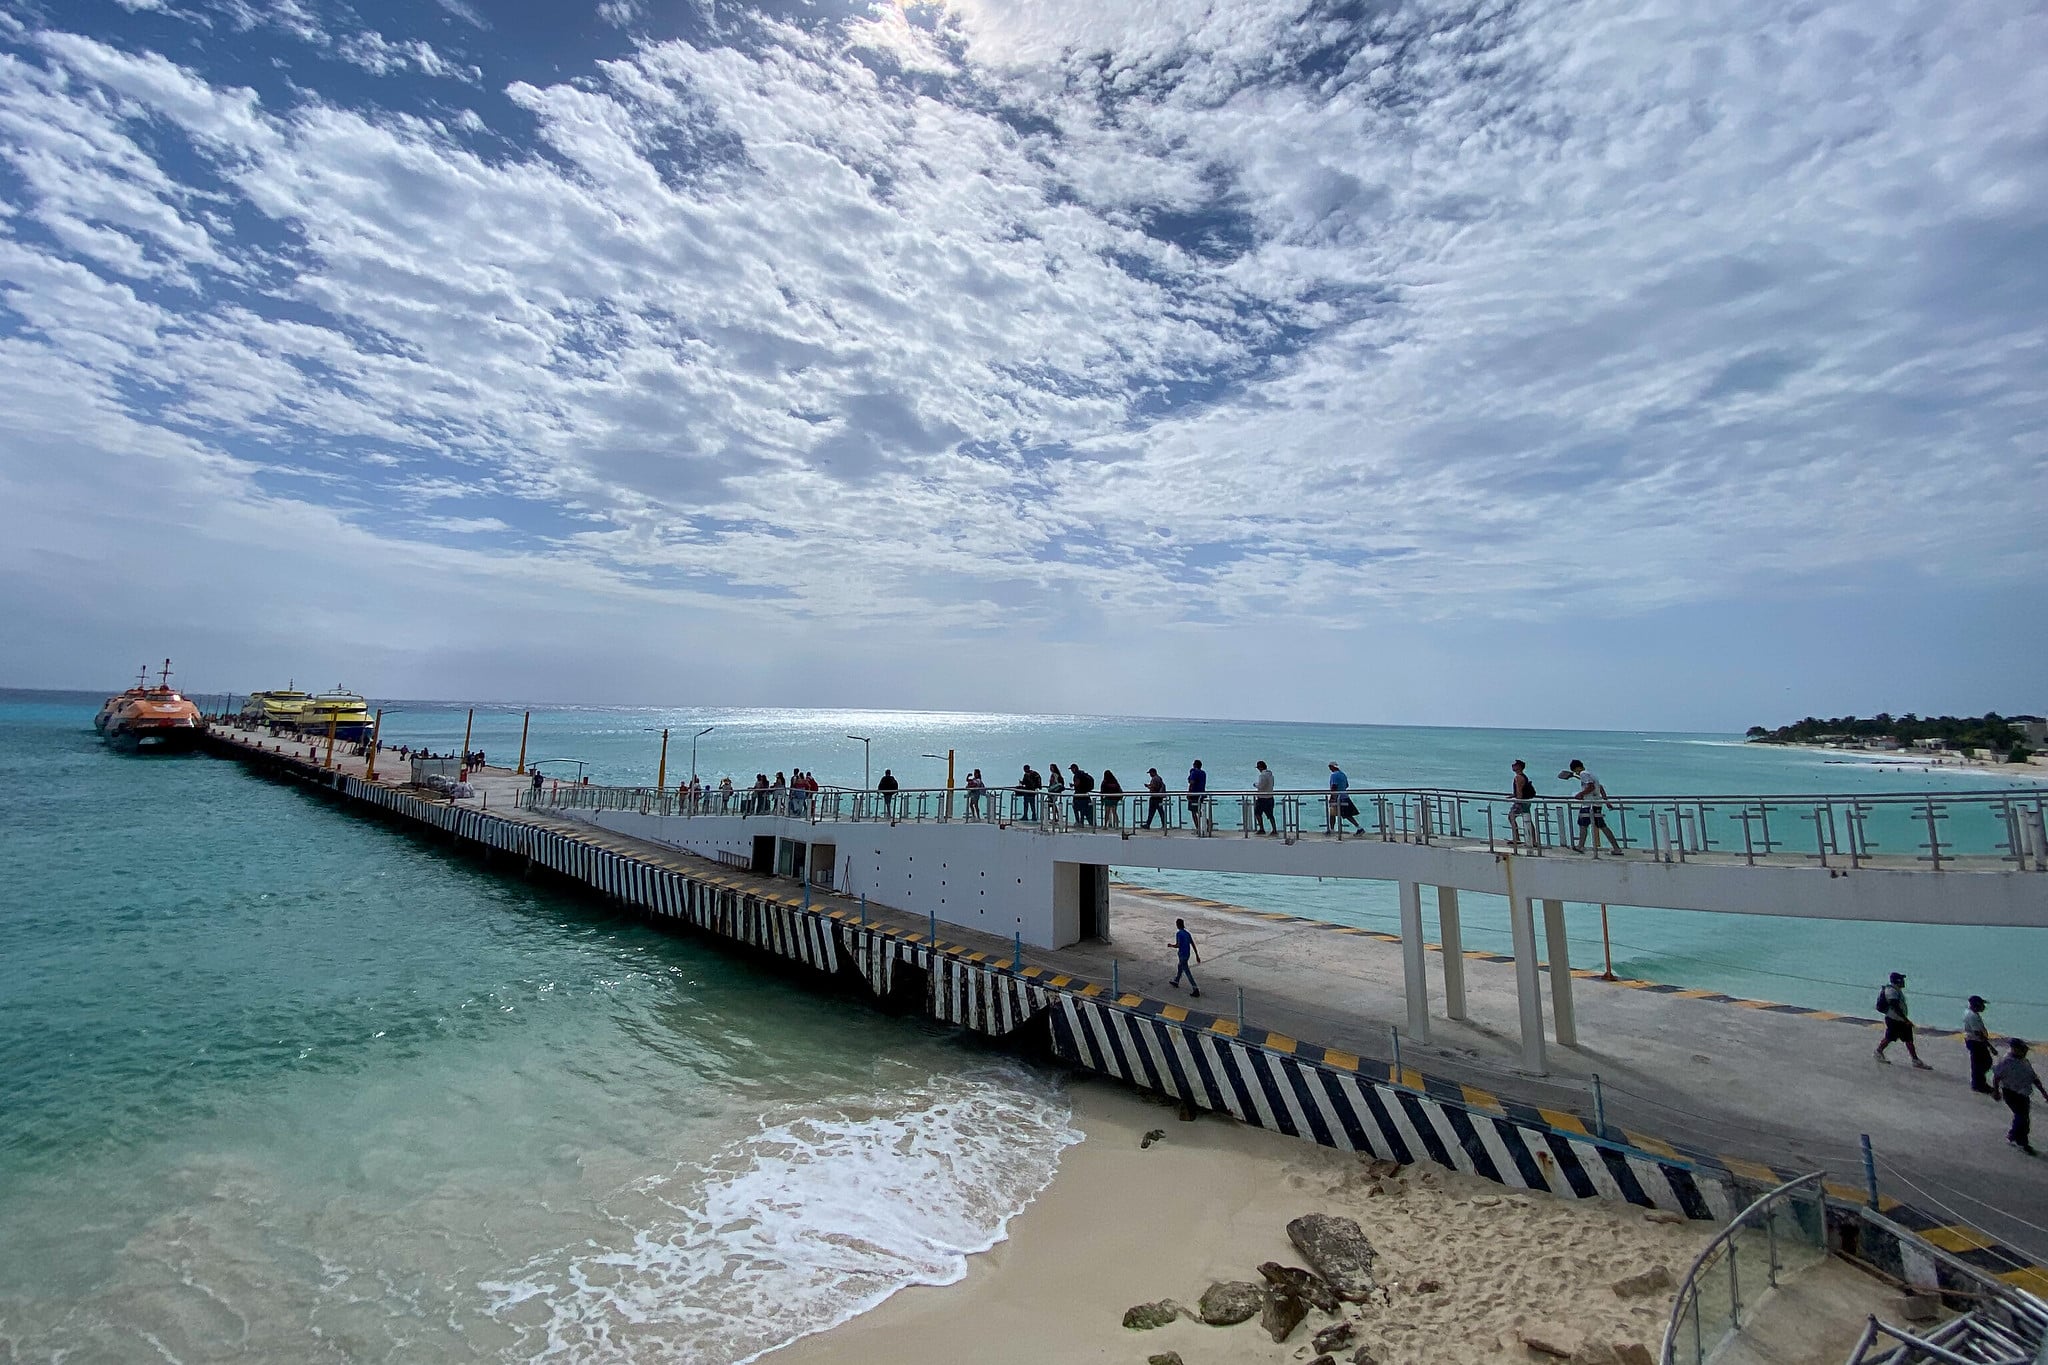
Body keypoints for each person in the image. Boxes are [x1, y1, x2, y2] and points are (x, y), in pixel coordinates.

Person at [1994, 1039, 2046, 1155]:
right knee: (2022, 1117)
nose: (2025, 1052)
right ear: (2015, 1049)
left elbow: (2034, 1078)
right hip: (2011, 1092)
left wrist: (2044, 1093)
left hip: (2023, 1094)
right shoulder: (2006, 1062)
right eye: (2023, 1050)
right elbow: (1997, 1077)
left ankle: (2013, 1135)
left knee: (2023, 1117)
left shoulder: (2024, 1061)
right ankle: (2022, 1141)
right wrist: (1996, 1091)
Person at [1560, 760, 1621, 854]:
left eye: (1576, 771)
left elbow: (1591, 787)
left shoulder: (1583, 774)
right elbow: (1600, 787)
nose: (1576, 773)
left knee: (1583, 824)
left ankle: (1580, 846)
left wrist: (1580, 794)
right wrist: (1606, 801)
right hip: (1596, 803)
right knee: (1601, 826)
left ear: (1577, 768)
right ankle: (1616, 848)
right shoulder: (1591, 774)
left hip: (1589, 805)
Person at [1874, 972, 1933, 1069]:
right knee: (1890, 1037)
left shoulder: (1896, 990)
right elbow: (1895, 1007)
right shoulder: (1891, 991)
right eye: (1902, 980)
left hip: (1899, 1019)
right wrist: (1906, 1020)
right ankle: (1878, 1051)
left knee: (1908, 1039)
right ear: (1898, 981)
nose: (1904, 982)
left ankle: (1915, 1060)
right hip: (1895, 1020)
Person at [1965, 996, 1996, 1095]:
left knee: (1980, 1063)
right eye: (1981, 1005)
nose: (1983, 1007)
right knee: (1984, 1062)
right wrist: (1990, 1046)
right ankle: (1979, 1084)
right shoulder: (1972, 1016)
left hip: (1975, 1041)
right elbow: (1978, 1033)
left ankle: (1978, 1083)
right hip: (1976, 1042)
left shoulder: (1972, 1014)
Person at [1507, 759, 1537, 848]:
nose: (1513, 766)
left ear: (1519, 767)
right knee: (1527, 819)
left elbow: (1519, 790)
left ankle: (1517, 838)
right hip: (1525, 801)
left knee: (1511, 817)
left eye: (1515, 765)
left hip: (1521, 801)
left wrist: (1518, 801)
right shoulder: (1523, 776)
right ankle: (1533, 840)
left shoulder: (1518, 777)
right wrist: (1513, 795)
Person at [1327, 763, 1364, 834]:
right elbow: (1347, 785)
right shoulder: (1343, 774)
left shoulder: (1333, 775)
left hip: (1337, 797)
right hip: (1345, 796)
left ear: (1332, 767)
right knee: (1347, 814)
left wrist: (1332, 797)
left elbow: (1334, 787)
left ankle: (1332, 830)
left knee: (1333, 814)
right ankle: (1359, 827)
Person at [1170, 917, 1201, 997]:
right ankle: (1176, 981)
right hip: (1187, 954)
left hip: (1182, 954)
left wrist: (1171, 945)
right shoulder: (1187, 933)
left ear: (1177, 925)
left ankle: (1195, 988)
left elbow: (1178, 945)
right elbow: (1193, 944)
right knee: (1180, 966)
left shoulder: (1179, 933)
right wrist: (1197, 955)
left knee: (1187, 971)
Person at [1253, 760, 1277, 834]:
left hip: (1262, 798)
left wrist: (1255, 785)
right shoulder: (1271, 775)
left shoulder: (1262, 775)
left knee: (1257, 813)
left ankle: (1261, 829)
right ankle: (1274, 829)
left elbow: (1261, 786)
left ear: (1260, 767)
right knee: (1270, 815)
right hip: (1270, 797)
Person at [1186, 760, 1209, 835]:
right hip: (1201, 794)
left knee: (1193, 812)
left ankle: (1198, 828)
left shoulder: (1194, 772)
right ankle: (1208, 822)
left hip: (1194, 795)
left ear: (1195, 765)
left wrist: (1189, 793)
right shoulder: (1203, 773)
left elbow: (1191, 782)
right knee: (1199, 811)